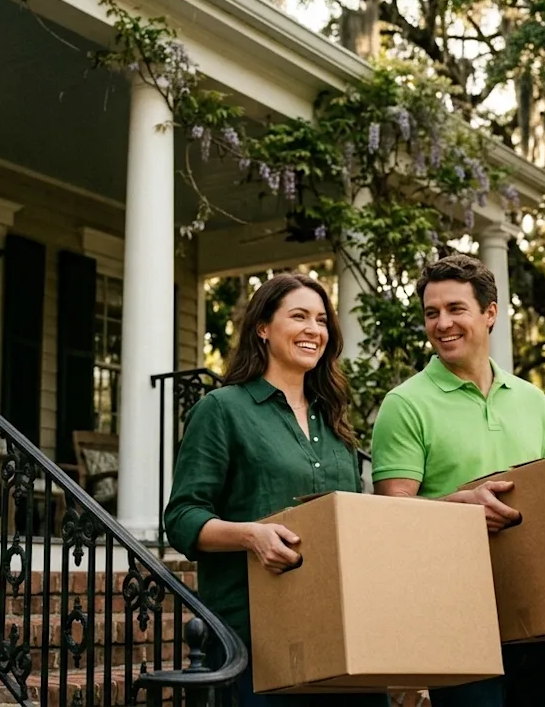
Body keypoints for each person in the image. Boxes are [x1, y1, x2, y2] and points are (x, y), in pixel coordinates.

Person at [370, 253, 545, 707]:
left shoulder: (531, 401)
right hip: (459, 617)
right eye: (432, 313)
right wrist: (459, 508)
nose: (442, 323)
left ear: (490, 313)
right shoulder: (405, 404)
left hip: (542, 613)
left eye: (455, 309)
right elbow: (390, 519)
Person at [163, 273, 388, 707]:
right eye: (299, 316)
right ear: (262, 328)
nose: (313, 330)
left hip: (341, 626)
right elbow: (182, 517)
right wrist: (252, 535)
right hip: (255, 632)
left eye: (321, 320)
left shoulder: (335, 422)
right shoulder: (222, 409)